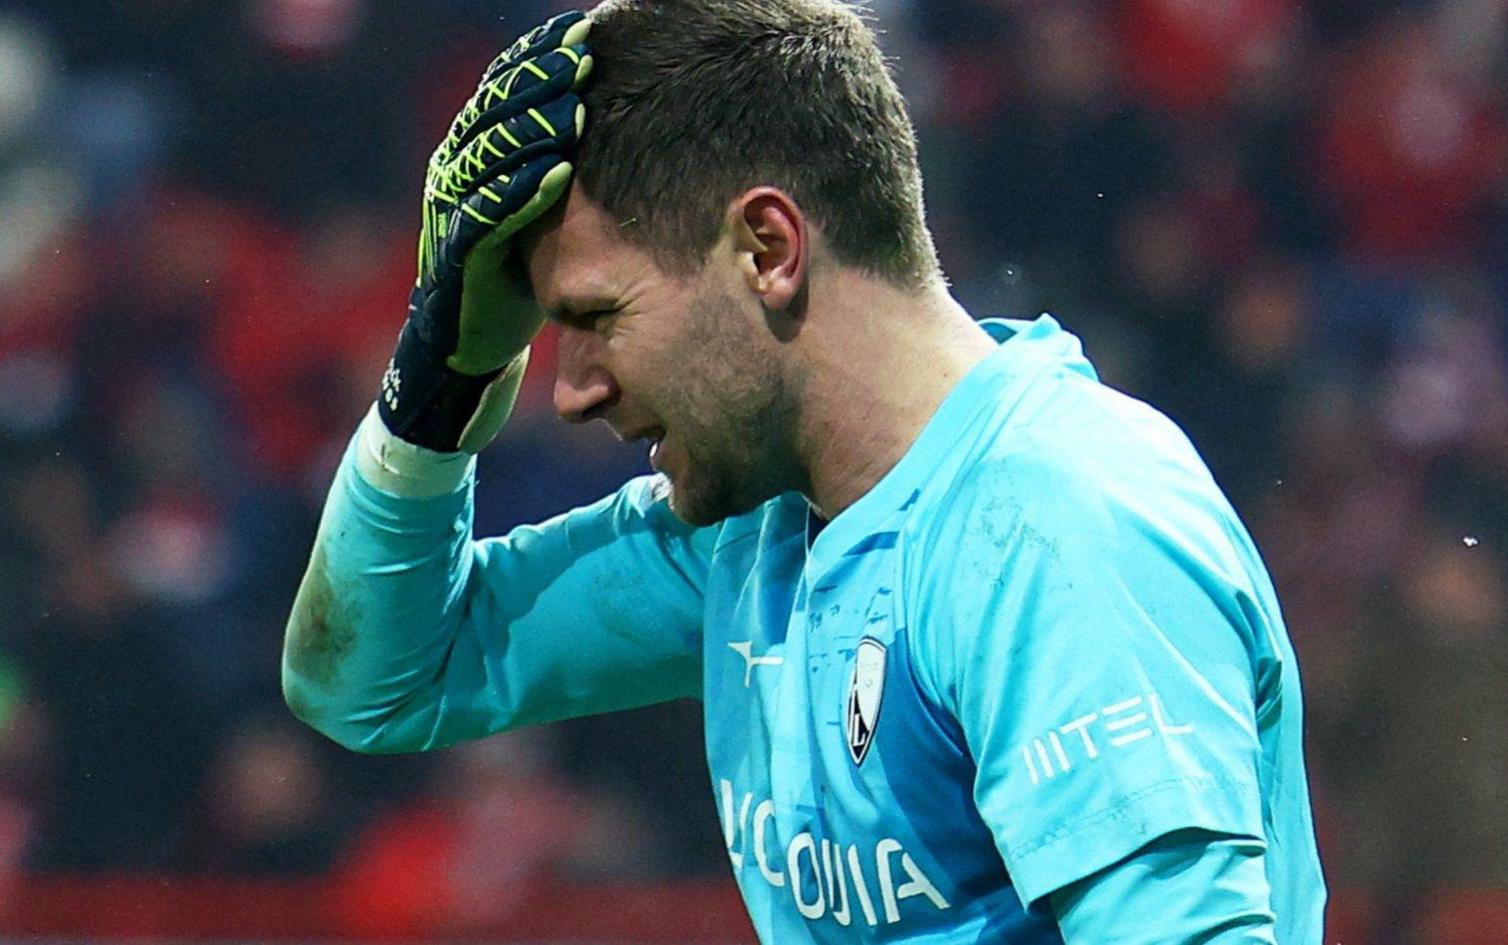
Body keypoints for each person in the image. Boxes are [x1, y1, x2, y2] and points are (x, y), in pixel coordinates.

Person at [282, 2, 1327, 941]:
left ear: (768, 249)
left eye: (598, 317)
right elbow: (374, 681)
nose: (571, 390)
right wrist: (437, 381)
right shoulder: (762, 532)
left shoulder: (1054, 529)